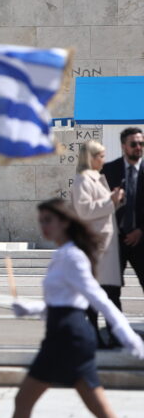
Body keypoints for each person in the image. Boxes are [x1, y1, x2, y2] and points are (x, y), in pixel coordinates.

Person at [9, 198, 144, 418]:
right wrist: (30, 308)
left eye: (48, 220)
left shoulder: (72, 256)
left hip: (67, 337)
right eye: (41, 221)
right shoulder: (63, 254)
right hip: (65, 334)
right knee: (97, 405)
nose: (44, 226)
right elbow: (64, 302)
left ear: (64, 222)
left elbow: (98, 298)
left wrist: (128, 337)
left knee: (24, 400)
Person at [72, 140, 125, 347]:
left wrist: (117, 199)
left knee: (108, 292)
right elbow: (85, 210)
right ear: (90, 158)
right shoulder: (83, 180)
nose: (104, 159)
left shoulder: (94, 178)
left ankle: (108, 335)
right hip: (97, 245)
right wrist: (110, 201)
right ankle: (96, 334)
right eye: (100, 156)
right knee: (99, 292)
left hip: (105, 244)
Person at [101, 127, 144, 301]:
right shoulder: (108, 171)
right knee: (111, 291)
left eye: (141, 143)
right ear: (123, 146)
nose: (138, 147)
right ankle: (114, 327)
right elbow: (96, 206)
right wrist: (111, 201)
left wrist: (140, 230)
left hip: (141, 239)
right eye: (133, 144)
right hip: (114, 241)